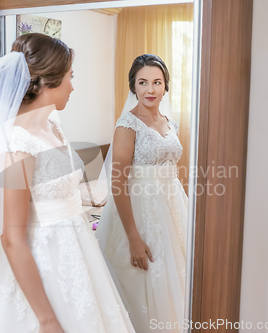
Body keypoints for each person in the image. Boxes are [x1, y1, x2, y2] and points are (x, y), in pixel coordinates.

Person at [0, 33, 135, 333]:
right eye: (70, 77)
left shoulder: (53, 124)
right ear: (46, 83)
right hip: (44, 259)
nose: (73, 86)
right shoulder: (15, 142)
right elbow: (12, 238)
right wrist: (47, 319)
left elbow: (54, 187)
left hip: (78, 251)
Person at [95, 54, 188, 333]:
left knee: (181, 275)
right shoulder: (128, 125)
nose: (150, 89)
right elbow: (118, 184)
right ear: (133, 86)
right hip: (140, 209)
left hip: (172, 204)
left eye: (157, 82)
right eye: (143, 82)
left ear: (165, 86)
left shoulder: (170, 123)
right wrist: (134, 238)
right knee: (147, 282)